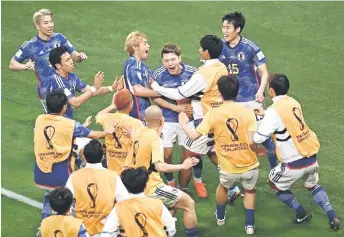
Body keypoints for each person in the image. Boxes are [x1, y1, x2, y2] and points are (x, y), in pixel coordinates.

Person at [253, 73, 341, 231]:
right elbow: (286, 119)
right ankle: (332, 215)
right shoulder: (293, 102)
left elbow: (259, 138)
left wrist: (258, 122)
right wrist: (266, 114)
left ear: (271, 90)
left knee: (273, 184)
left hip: (293, 166)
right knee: (313, 185)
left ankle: (301, 213)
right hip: (311, 159)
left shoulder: (274, 111)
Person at [179, 75, 264, 235]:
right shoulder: (248, 112)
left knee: (223, 187)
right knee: (250, 190)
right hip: (250, 164)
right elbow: (252, 141)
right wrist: (259, 150)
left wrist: (183, 123)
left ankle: (220, 217)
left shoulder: (213, 114)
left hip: (228, 166)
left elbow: (194, 136)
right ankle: (250, 226)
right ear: (237, 91)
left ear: (219, 91)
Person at [150, 35, 228, 193]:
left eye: (200, 48)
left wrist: (156, 87)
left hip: (205, 121)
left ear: (206, 52)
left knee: (188, 156)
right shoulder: (222, 67)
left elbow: (180, 93)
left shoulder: (203, 73)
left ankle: (182, 190)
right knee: (212, 151)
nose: (198, 50)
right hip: (219, 117)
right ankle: (231, 185)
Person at [219, 11, 278, 201]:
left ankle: (275, 172)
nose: (224, 30)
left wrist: (261, 90)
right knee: (235, 139)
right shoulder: (220, 46)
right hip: (231, 101)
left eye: (228, 27)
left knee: (264, 137)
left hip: (252, 99)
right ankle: (238, 182)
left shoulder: (251, 47)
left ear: (238, 29)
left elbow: (264, 71)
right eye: (223, 27)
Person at [34, 90, 114, 221]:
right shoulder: (70, 124)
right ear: (64, 106)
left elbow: (57, 133)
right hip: (60, 179)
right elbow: (94, 135)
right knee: (72, 198)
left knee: (50, 194)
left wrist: (80, 127)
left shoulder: (39, 120)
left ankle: (45, 224)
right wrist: (107, 132)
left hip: (39, 176)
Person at [124, 105, 199, 237]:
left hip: (133, 184)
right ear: (162, 120)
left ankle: (161, 231)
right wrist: (183, 165)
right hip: (150, 186)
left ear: (144, 119)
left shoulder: (139, 132)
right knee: (188, 203)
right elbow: (160, 167)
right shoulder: (155, 140)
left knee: (174, 203)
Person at [151, 44, 207, 197]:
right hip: (167, 119)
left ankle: (198, 179)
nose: (170, 63)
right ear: (162, 61)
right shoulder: (158, 74)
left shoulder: (193, 73)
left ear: (179, 58)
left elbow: (203, 93)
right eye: (166, 60)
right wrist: (175, 108)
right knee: (166, 153)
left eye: (173, 59)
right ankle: (170, 181)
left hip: (188, 120)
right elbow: (154, 97)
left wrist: (191, 106)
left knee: (194, 152)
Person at [9, 9, 87, 111]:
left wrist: (80, 56)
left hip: (64, 83)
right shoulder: (30, 46)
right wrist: (24, 66)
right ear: (38, 26)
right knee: (56, 120)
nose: (50, 25)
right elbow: (12, 64)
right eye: (46, 23)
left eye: (51, 21)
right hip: (48, 90)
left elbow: (74, 56)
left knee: (67, 118)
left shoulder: (59, 38)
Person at [66, 139, 130, 237]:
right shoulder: (113, 177)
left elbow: (66, 205)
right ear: (102, 157)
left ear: (85, 157)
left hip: (81, 230)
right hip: (105, 230)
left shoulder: (74, 177)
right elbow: (126, 203)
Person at [47, 46, 123, 119]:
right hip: (57, 124)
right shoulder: (56, 82)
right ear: (58, 65)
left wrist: (112, 88)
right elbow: (75, 103)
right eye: (67, 60)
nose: (71, 62)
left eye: (70, 58)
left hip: (67, 121)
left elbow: (91, 91)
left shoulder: (72, 77)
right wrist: (94, 88)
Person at [102, 167, 176, 237]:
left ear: (126, 188)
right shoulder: (158, 204)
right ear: (145, 186)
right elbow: (171, 229)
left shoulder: (118, 208)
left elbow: (107, 233)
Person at [96, 89, 143, 174]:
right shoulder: (137, 123)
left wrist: (112, 106)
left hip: (111, 170)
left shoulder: (107, 118)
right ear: (131, 105)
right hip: (128, 172)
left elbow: (99, 115)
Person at [123, 31, 161, 121]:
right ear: (135, 47)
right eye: (145, 43)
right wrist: (162, 92)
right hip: (137, 113)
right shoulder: (134, 64)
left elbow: (152, 83)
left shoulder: (142, 66)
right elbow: (137, 90)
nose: (148, 46)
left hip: (143, 111)